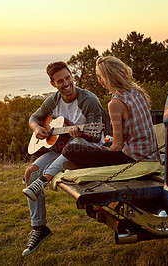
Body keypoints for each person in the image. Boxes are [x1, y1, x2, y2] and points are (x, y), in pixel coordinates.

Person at [21, 61, 103, 256]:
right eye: (60, 81)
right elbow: (34, 118)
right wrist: (38, 128)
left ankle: (42, 182)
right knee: (30, 172)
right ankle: (39, 228)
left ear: (71, 75)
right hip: (60, 149)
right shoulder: (54, 100)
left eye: (68, 78)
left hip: (85, 149)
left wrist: (81, 133)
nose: (66, 83)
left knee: (73, 145)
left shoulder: (88, 100)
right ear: (53, 84)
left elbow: (97, 136)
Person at [62, 56, 160, 168]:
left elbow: (117, 147)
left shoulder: (115, 104)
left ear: (105, 79)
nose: (99, 80)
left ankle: (82, 165)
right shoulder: (138, 92)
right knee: (104, 144)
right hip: (151, 155)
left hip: (134, 159)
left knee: (69, 150)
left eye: (99, 77)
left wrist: (102, 150)